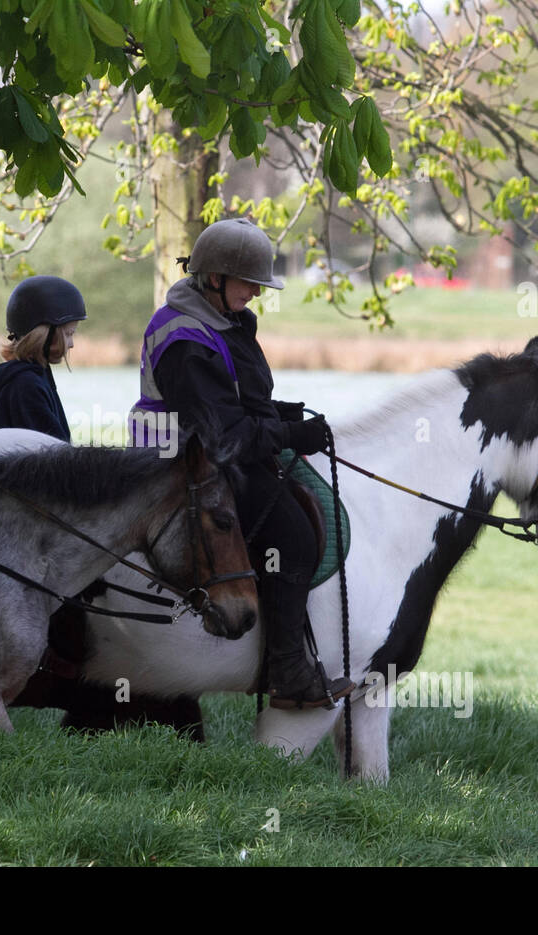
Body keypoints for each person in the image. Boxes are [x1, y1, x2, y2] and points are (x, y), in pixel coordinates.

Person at [129, 217, 356, 709]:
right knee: (293, 538)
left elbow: (237, 404)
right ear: (214, 278)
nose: (256, 292)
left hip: (211, 452)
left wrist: (281, 416)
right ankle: (287, 671)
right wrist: (291, 434)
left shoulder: (222, 321)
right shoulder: (187, 340)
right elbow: (227, 436)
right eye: (249, 282)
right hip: (179, 464)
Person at [0, 275, 84, 440]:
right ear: (42, 334)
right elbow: (50, 455)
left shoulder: (36, 375)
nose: (71, 344)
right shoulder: (25, 385)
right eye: (69, 334)